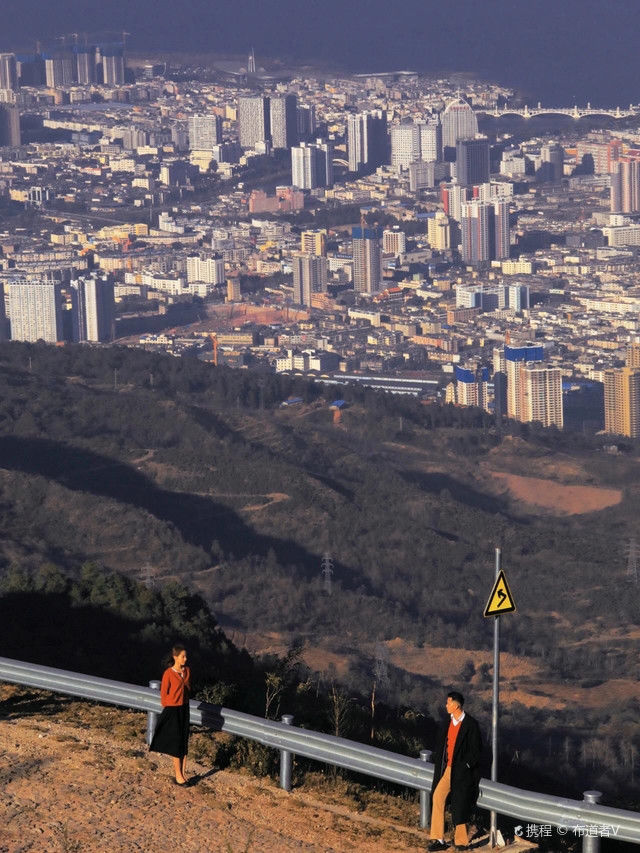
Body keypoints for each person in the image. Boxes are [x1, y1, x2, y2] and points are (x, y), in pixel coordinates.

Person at [428, 690, 482, 852]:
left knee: (460, 804)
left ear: (456, 705)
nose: (446, 705)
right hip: (447, 769)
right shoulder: (447, 722)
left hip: (462, 773)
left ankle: (462, 842)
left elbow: (477, 750)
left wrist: (466, 766)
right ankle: (438, 838)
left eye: (448, 702)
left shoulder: (471, 725)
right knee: (438, 796)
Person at [149, 643, 192, 785]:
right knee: (176, 741)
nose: (185, 659)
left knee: (184, 740)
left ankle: (184, 774)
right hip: (173, 709)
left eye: (186, 656)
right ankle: (178, 775)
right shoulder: (168, 673)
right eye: (183, 656)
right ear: (176, 657)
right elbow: (164, 696)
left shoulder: (187, 671)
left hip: (185, 708)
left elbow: (188, 688)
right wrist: (172, 703)